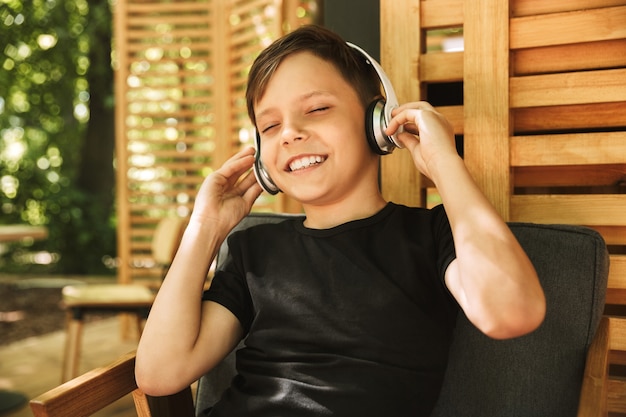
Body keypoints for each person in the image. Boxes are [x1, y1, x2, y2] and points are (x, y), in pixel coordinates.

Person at [135, 25, 546, 416]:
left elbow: (510, 313)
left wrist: (444, 163)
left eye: (316, 109)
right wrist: (205, 228)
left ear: (378, 123)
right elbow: (158, 374)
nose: (290, 133)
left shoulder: (432, 236)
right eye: (270, 125)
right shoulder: (253, 251)